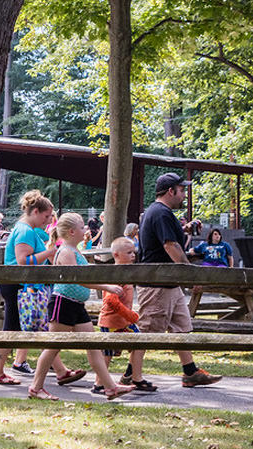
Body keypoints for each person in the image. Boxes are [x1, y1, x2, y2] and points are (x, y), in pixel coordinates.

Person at [127, 172, 223, 388]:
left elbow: (168, 238)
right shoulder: (161, 213)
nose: (184, 195)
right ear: (171, 191)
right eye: (182, 190)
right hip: (157, 284)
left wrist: (184, 229)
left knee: (182, 327)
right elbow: (170, 246)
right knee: (148, 332)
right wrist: (190, 276)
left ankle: (190, 372)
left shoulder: (161, 212)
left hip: (169, 283)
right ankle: (131, 376)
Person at [26, 214, 134, 401]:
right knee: (53, 347)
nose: (86, 230)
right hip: (63, 303)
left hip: (77, 305)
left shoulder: (75, 251)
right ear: (72, 232)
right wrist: (106, 287)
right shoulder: (66, 252)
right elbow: (80, 280)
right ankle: (36, 388)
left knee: (92, 345)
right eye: (83, 227)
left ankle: (109, 387)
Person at [0, 190, 82, 386]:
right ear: (36, 211)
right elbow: (23, 260)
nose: (48, 221)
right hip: (18, 286)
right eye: (46, 216)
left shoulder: (27, 230)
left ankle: (61, 371)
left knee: (39, 327)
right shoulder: (25, 231)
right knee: (11, 329)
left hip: (23, 286)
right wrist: (49, 252)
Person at [97, 236, 152, 391]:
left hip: (123, 322)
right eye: (129, 252)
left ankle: (136, 377)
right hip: (111, 322)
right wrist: (131, 316)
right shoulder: (116, 274)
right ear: (116, 255)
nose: (133, 255)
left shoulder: (126, 272)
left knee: (140, 343)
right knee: (107, 354)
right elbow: (111, 301)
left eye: (134, 252)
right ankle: (99, 383)